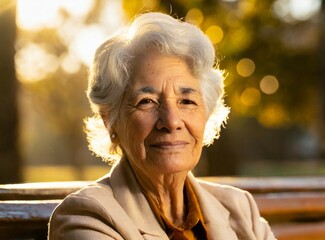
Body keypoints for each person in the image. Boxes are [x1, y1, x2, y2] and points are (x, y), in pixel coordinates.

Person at [48, 12, 276, 240]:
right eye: (146, 102)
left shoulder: (240, 208)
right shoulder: (88, 216)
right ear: (110, 121)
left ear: (206, 115)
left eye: (187, 101)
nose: (171, 121)